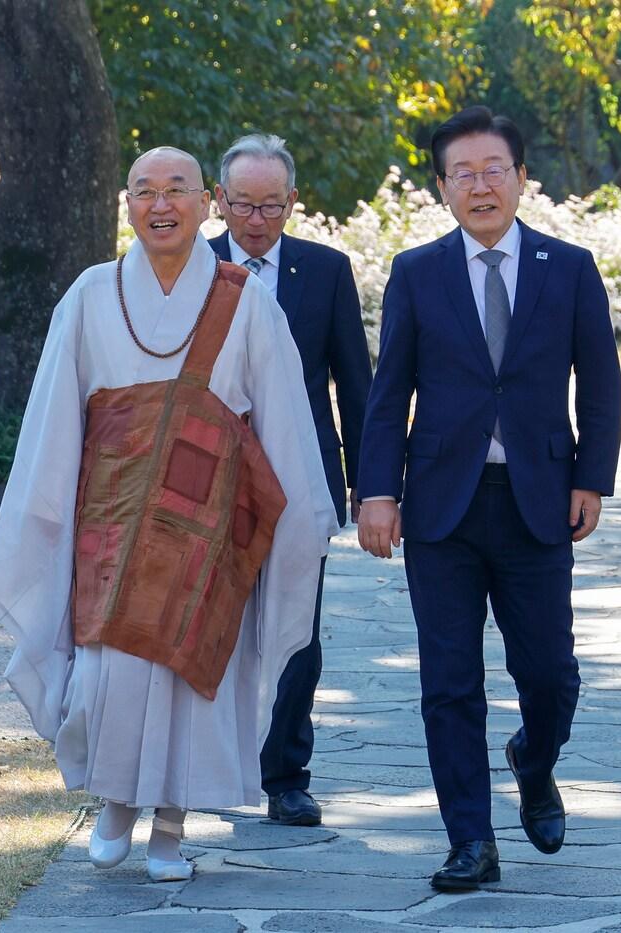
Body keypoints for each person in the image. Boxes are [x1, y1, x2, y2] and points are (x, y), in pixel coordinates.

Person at [0, 146, 337, 882]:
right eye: (146, 191)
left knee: (193, 673)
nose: (162, 204)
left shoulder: (246, 300)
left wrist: (295, 519)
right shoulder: (89, 292)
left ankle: (171, 826)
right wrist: (50, 509)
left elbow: (282, 421)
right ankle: (114, 803)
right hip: (111, 523)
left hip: (207, 532)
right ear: (129, 205)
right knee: (110, 670)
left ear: (206, 203)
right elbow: (54, 416)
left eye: (177, 189)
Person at [357, 107, 621, 890]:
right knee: (448, 681)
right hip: (441, 505)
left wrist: (591, 478)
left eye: (493, 169)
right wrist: (378, 491)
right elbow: (387, 392)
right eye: (462, 173)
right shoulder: (416, 272)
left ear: (520, 178)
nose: (480, 185)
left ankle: (533, 764)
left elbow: (601, 383)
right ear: (442, 188)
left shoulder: (568, 267)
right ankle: (470, 839)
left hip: (538, 499)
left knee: (550, 674)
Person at [208, 134, 372, 827]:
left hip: (302, 479)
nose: (256, 219)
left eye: (271, 205)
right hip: (207, 479)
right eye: (243, 203)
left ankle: (286, 774)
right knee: (202, 624)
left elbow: (355, 384)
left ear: (292, 203)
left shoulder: (325, 270)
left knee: (297, 625)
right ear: (219, 200)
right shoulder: (189, 265)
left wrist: (371, 485)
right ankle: (202, 766)